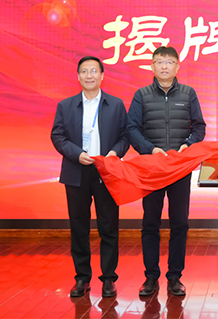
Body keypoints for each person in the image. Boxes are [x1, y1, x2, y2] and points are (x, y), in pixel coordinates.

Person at [127, 46, 206, 297]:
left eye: (169, 62)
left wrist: (188, 145)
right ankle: (151, 277)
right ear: (152, 66)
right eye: (159, 62)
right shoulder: (141, 95)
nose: (164, 66)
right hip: (152, 168)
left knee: (179, 223)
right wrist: (150, 149)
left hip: (179, 168)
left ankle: (175, 277)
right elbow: (132, 129)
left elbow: (199, 127)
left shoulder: (188, 93)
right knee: (150, 222)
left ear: (177, 66)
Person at [51, 56, 129, 298]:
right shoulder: (65, 105)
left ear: (102, 76)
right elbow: (58, 136)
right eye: (84, 71)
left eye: (94, 71)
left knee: (109, 226)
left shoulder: (116, 104)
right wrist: (77, 154)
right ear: (78, 76)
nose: (89, 75)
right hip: (77, 171)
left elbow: (125, 136)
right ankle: (82, 278)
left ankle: (109, 279)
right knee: (79, 227)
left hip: (106, 172)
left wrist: (115, 152)